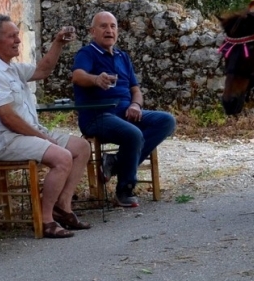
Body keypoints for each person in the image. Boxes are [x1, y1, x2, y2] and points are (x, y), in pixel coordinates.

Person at [0, 14, 91, 238]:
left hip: (27, 134)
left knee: (81, 147)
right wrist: (43, 137)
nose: (18, 40)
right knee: (62, 157)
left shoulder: (11, 68)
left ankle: (63, 206)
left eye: (17, 35)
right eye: (12, 36)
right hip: (6, 140)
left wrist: (58, 43)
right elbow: (8, 118)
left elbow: (43, 71)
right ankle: (46, 220)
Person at [72, 11, 176, 207]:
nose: (109, 30)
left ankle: (115, 162)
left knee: (166, 121)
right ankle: (124, 189)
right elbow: (77, 76)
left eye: (113, 26)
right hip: (98, 116)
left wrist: (136, 105)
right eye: (103, 26)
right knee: (133, 134)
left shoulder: (123, 57)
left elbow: (136, 90)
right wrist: (95, 79)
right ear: (92, 31)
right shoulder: (87, 53)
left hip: (125, 114)